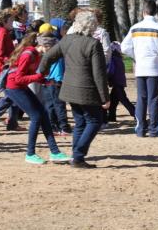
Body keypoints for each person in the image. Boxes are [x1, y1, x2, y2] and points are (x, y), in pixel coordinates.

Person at [39, 10, 109, 168]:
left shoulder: (67, 39)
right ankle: (78, 155)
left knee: (80, 123)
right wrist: (104, 97)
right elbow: (99, 73)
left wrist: (41, 73)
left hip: (69, 89)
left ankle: (76, 156)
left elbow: (48, 56)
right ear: (92, 26)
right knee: (95, 120)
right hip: (87, 90)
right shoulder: (93, 44)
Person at [5, 32, 70, 165]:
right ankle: (30, 154)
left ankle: (55, 152)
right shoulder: (28, 55)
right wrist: (38, 77)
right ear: (44, 45)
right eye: (52, 48)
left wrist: (45, 81)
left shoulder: (37, 55)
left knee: (44, 114)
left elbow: (31, 75)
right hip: (14, 88)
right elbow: (18, 78)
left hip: (21, 87)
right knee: (36, 116)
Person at [120, 0, 158, 137]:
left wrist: (136, 56)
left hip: (140, 67)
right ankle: (154, 129)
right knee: (153, 98)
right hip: (154, 68)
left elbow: (124, 47)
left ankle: (141, 129)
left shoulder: (135, 27)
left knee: (141, 98)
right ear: (155, 12)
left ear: (143, 12)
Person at [106, 41, 135, 125]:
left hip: (116, 82)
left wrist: (107, 77)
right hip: (119, 82)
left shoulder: (113, 59)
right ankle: (111, 116)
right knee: (113, 100)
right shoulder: (119, 58)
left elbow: (111, 71)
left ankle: (136, 114)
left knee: (124, 100)